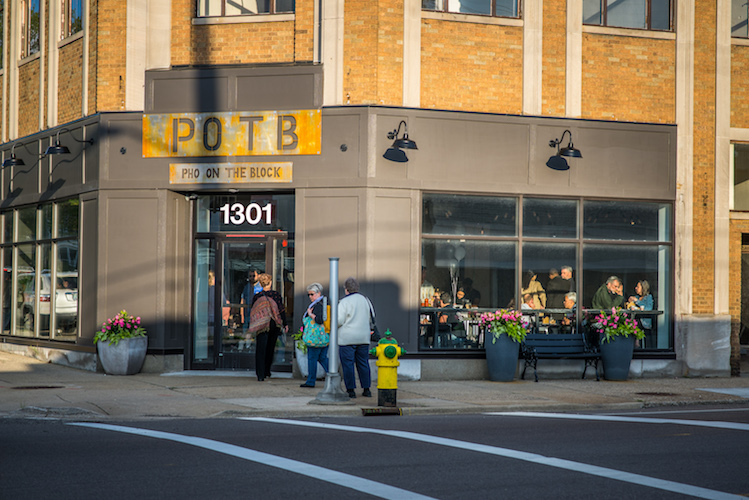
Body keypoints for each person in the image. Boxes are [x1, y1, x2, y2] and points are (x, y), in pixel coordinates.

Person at [337, 277, 373, 398]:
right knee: (363, 363)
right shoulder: (365, 300)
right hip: (363, 337)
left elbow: (339, 320)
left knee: (348, 365)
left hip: (347, 338)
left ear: (346, 289)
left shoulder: (344, 302)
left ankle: (351, 390)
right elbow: (371, 317)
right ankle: (366, 389)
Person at [250, 273, 288, 381]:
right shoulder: (276, 295)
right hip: (273, 324)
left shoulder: (257, 296)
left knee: (260, 349)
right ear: (270, 282)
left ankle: (260, 374)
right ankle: (267, 371)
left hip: (261, 325)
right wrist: (285, 323)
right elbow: (281, 310)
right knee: (270, 349)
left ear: (261, 284)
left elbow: (254, 311)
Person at [300, 282, 329, 388]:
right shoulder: (324, 303)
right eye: (309, 294)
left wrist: (311, 314)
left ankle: (311, 381)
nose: (310, 297)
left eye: (312, 294)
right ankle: (333, 375)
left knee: (312, 359)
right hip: (323, 337)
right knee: (322, 357)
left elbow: (320, 320)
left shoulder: (318, 305)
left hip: (315, 338)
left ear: (318, 293)